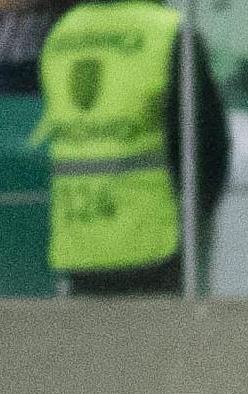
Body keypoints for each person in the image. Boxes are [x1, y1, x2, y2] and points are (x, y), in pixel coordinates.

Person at [35, 0, 228, 295]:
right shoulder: (168, 32)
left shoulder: (62, 32)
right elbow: (206, 142)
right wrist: (201, 211)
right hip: (153, 239)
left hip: (78, 238)